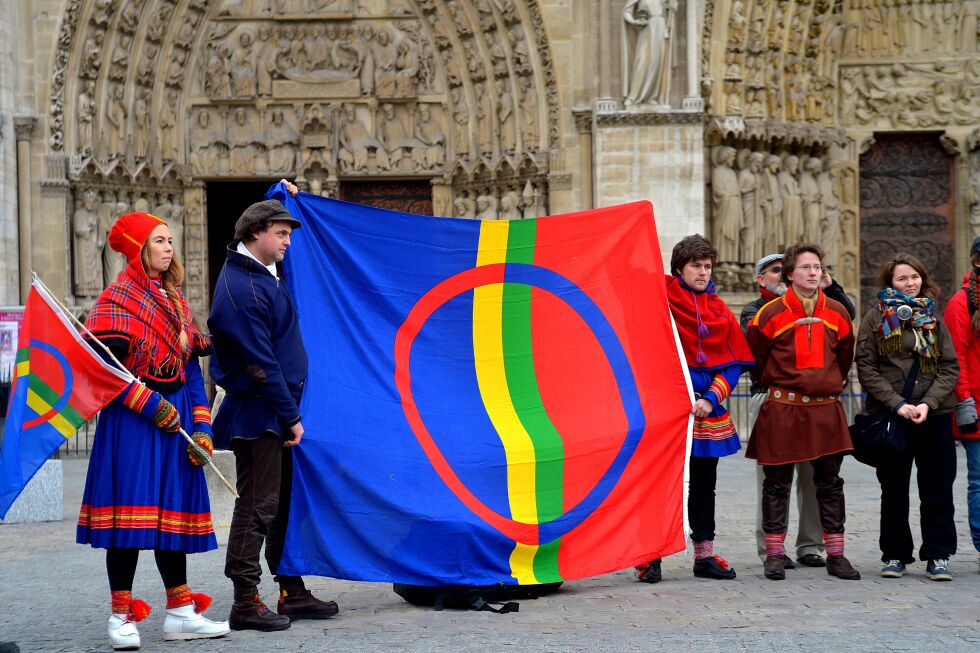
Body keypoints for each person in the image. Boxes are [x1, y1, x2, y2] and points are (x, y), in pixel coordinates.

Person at [77, 212, 229, 649]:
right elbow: (105, 371)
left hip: (177, 413)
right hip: (134, 421)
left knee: (173, 517)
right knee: (130, 517)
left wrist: (202, 427)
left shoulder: (177, 302)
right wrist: (149, 404)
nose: (169, 248)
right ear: (138, 248)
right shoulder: (114, 301)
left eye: (170, 240)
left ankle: (180, 611)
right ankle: (121, 615)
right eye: (160, 240)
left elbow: (192, 373)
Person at [209, 183, 339, 631]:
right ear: (258, 232)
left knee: (280, 505)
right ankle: (245, 601)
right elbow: (261, 364)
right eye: (282, 233)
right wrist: (292, 417)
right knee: (258, 505)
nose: (288, 242)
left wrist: (278, 193)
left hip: (272, 409)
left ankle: (291, 591)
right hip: (261, 412)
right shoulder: (242, 287)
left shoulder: (259, 273)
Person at [634, 235, 754, 583]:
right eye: (695, 266)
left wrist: (711, 398)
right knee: (661, 484)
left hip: (705, 411)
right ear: (678, 269)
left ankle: (703, 555)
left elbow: (732, 364)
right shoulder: (659, 303)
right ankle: (650, 556)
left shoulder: (719, 311)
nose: (703, 272)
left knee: (704, 485)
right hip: (667, 409)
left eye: (707, 266)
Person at [747, 243, 859, 581]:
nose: (814, 273)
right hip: (782, 409)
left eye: (818, 267)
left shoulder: (838, 312)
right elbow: (758, 358)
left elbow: (844, 357)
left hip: (825, 409)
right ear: (790, 274)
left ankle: (835, 555)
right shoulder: (767, 315)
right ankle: (775, 555)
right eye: (807, 267)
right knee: (776, 485)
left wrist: (822, 382)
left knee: (830, 484)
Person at [857, 253, 958, 580]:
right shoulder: (875, 319)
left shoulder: (933, 318)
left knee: (938, 488)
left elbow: (949, 367)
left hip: (935, 414)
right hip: (893, 416)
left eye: (914, 277)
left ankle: (938, 554)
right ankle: (895, 554)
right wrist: (897, 403)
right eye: (902, 279)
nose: (910, 283)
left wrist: (928, 403)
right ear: (890, 283)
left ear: (922, 280)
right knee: (894, 489)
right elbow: (867, 367)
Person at [943, 237, 980, 573]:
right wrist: (965, 400)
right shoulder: (961, 302)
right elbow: (956, 356)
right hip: (978, 404)